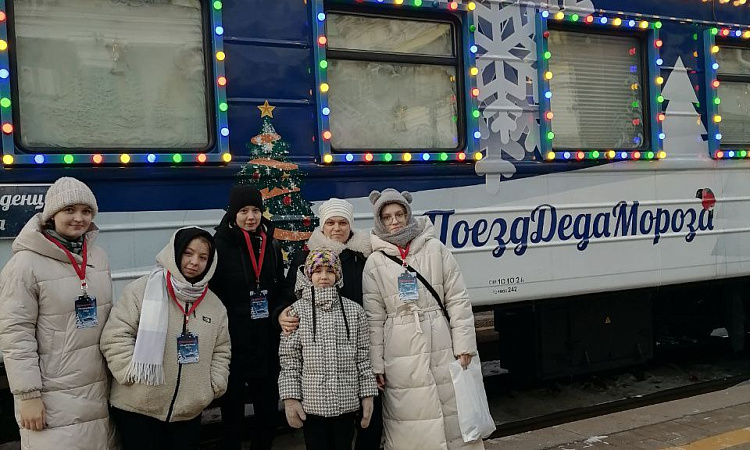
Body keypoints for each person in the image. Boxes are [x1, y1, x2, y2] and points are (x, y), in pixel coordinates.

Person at [0, 177, 117, 449]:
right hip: (53, 393)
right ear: (52, 214)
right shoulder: (25, 264)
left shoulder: (98, 257)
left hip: (97, 388)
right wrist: (28, 395)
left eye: (86, 211)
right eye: (69, 210)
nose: (79, 218)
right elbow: (16, 334)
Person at [363, 189, 483, 450]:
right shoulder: (374, 262)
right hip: (399, 346)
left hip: (440, 338)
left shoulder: (435, 248)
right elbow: (374, 318)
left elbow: (457, 298)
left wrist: (464, 345)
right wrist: (377, 365)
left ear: (408, 214)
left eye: (399, 214)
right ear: (379, 221)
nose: (394, 221)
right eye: (387, 217)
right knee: (410, 415)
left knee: (452, 409)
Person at [100, 226, 230, 450]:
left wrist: (212, 386)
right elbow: (116, 336)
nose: (194, 262)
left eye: (203, 257)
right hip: (137, 410)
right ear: (174, 252)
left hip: (187, 413)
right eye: (188, 253)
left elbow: (222, 349)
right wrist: (130, 373)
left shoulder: (214, 305)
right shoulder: (140, 290)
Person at [276, 197, 383, 450]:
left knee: (367, 426)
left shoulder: (364, 255)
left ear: (351, 225)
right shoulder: (306, 256)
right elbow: (288, 296)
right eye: (330, 222)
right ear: (322, 225)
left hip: (357, 341)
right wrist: (281, 313)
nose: (336, 228)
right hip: (317, 368)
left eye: (343, 222)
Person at [211, 185, 285, 450]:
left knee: (266, 407)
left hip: (264, 338)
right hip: (232, 338)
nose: (251, 217)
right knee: (232, 409)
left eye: (255, 210)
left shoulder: (270, 243)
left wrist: (279, 313)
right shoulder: (219, 245)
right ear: (234, 213)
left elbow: (279, 287)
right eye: (243, 211)